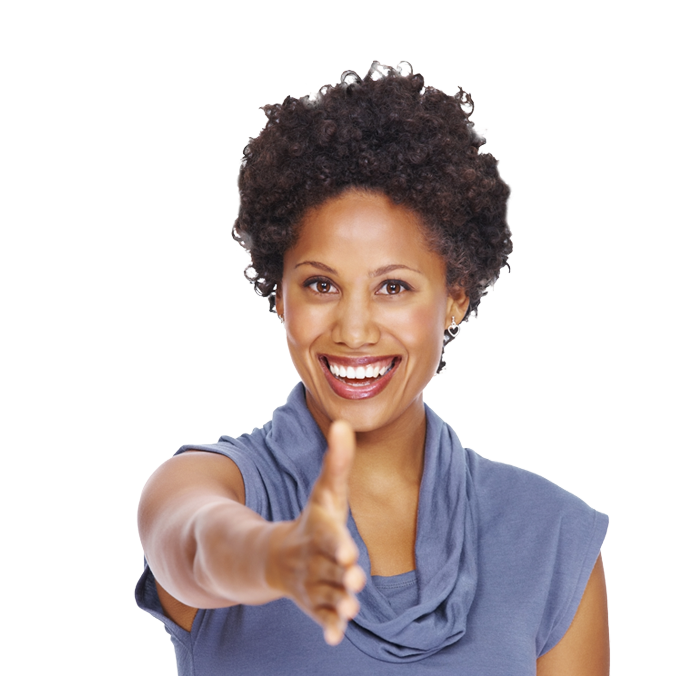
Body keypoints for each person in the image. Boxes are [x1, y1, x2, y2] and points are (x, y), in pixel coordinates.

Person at [136, 61, 610, 675]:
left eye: (392, 287)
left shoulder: (550, 537)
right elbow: (193, 546)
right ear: (280, 295)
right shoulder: (216, 486)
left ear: (456, 296)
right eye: (319, 284)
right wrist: (276, 555)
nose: (354, 330)